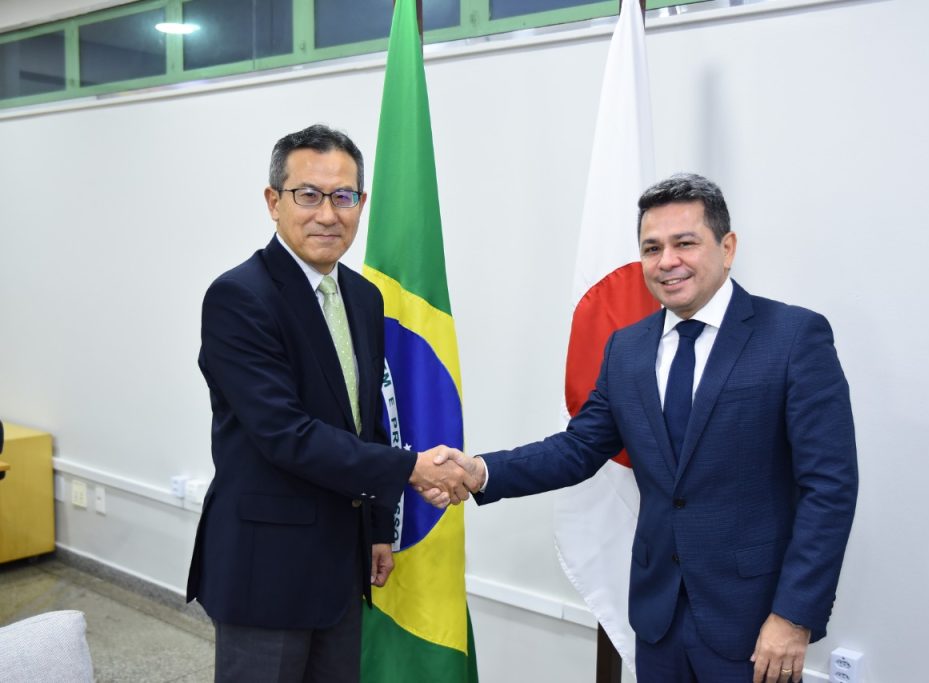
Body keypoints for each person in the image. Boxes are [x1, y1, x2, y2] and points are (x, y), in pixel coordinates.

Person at [443, 173, 858, 683]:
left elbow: (830, 487)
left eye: (685, 243)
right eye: (652, 248)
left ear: (727, 248)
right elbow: (579, 447)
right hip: (657, 617)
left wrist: (793, 615)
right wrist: (480, 471)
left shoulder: (793, 337)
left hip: (753, 622)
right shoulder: (627, 348)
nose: (667, 261)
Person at [186, 124, 472, 682]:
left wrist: (377, 529)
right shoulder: (238, 297)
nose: (327, 214)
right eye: (308, 195)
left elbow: (365, 422)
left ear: (361, 203)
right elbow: (286, 435)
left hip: (343, 563)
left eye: (343, 196)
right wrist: (412, 468)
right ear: (274, 202)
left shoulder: (363, 297)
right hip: (266, 570)